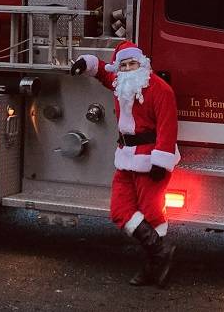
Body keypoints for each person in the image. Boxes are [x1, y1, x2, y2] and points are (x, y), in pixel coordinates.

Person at [70, 41, 180, 287]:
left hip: (151, 160)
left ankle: (153, 264)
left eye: (133, 64)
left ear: (142, 64)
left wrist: (160, 162)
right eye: (125, 65)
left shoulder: (160, 90)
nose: (129, 68)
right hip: (125, 158)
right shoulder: (121, 84)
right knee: (120, 211)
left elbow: (168, 127)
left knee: (152, 213)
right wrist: (85, 64)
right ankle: (161, 254)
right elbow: (101, 71)